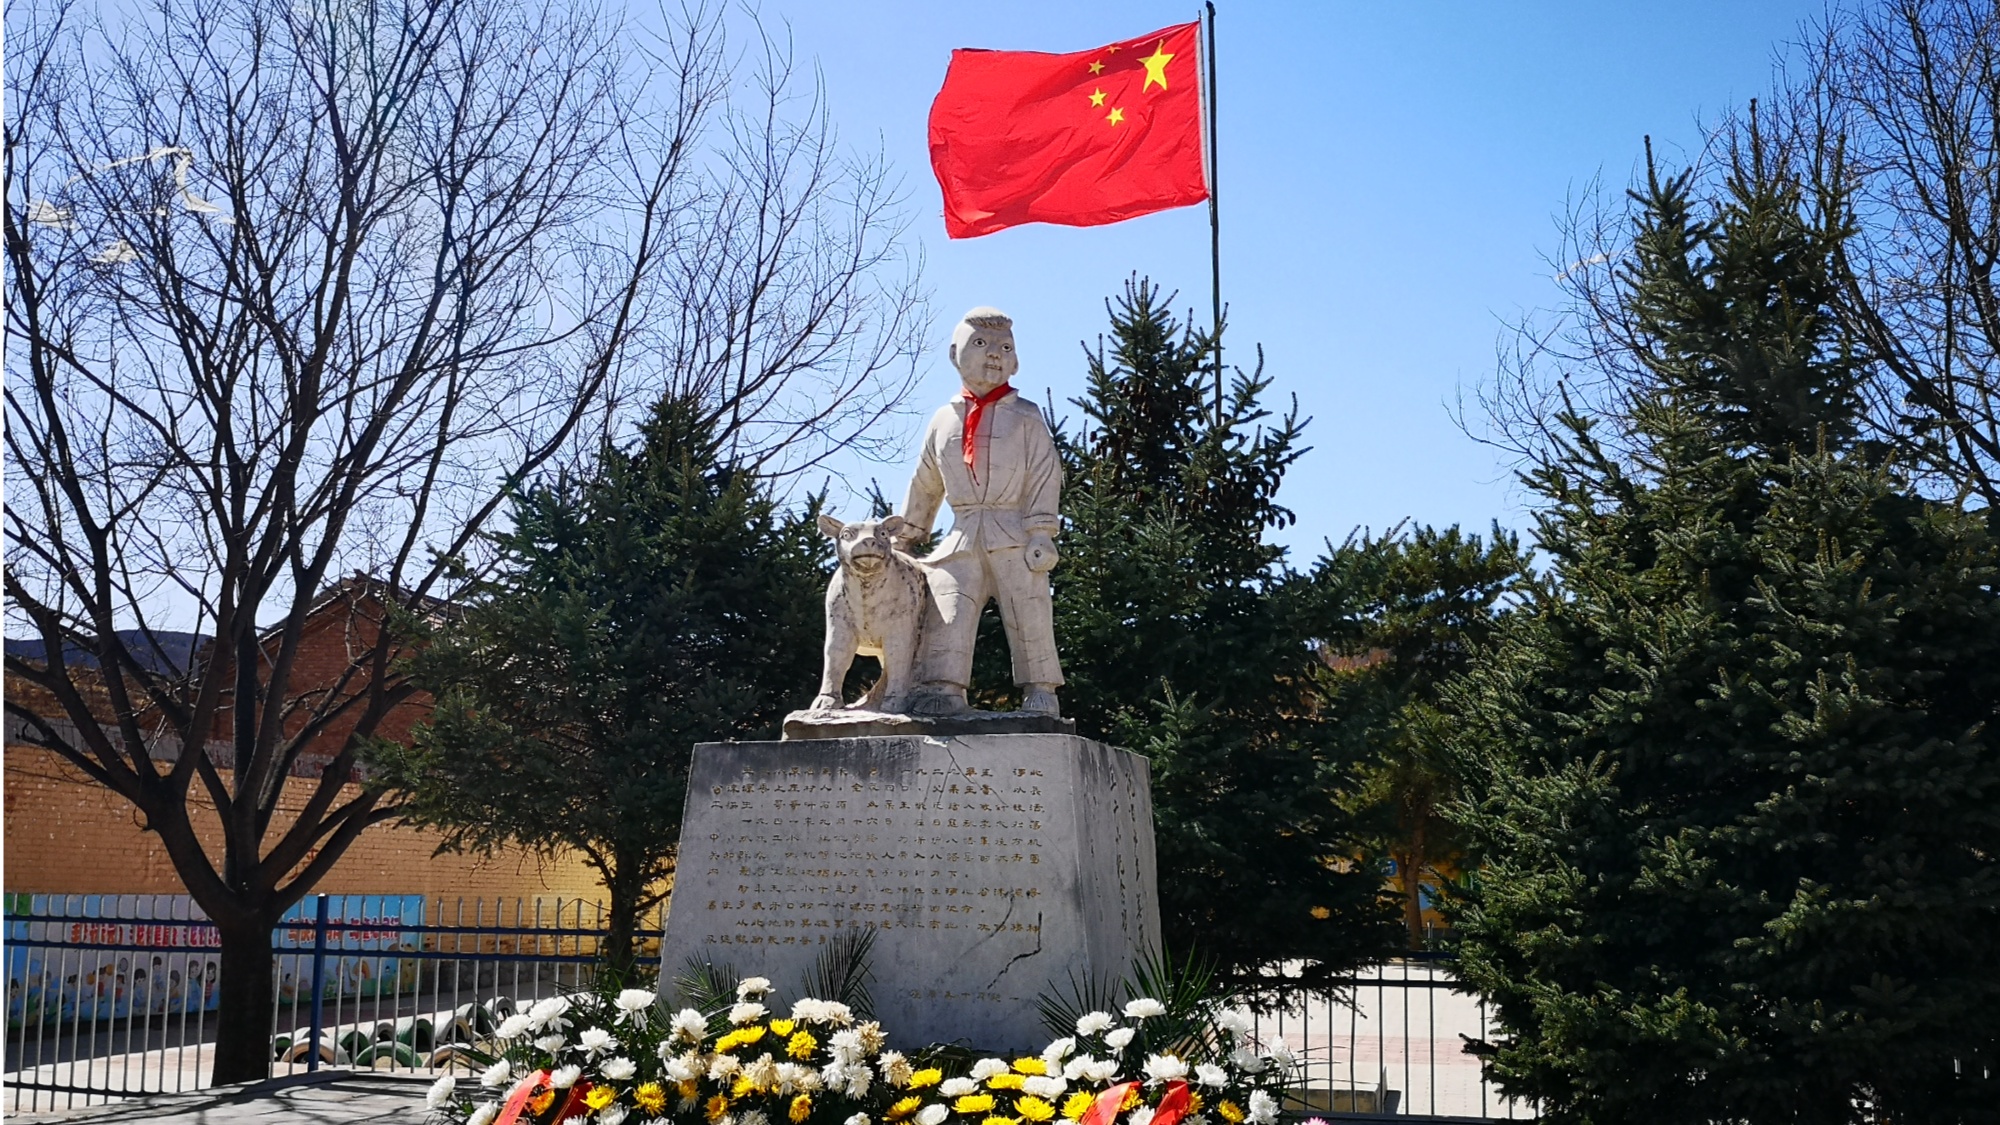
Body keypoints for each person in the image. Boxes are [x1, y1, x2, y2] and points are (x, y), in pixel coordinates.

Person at [900, 307, 1064, 717]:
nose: (994, 354)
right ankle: (942, 689)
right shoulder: (943, 420)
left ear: (1016, 361)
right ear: (954, 354)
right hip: (961, 535)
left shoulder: (1026, 416)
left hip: (1014, 534)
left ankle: (1040, 690)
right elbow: (925, 481)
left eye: (1005, 347)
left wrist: (1041, 531)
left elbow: (1045, 473)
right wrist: (908, 533)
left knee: (1029, 609)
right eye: (980, 343)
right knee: (947, 607)